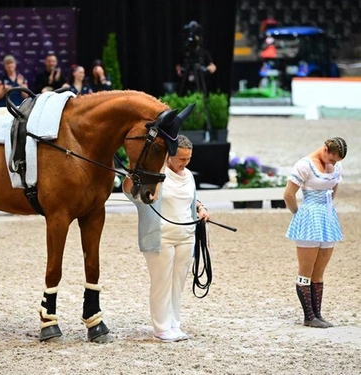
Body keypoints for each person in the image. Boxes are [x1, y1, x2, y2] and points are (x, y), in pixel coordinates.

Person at [123, 135, 210, 342]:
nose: (185, 163)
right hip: (160, 236)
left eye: (188, 158)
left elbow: (190, 198)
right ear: (169, 157)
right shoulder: (156, 175)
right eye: (181, 159)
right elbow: (130, 192)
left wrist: (200, 208)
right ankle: (161, 327)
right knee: (162, 282)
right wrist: (132, 173)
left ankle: (174, 323)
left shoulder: (188, 175)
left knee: (178, 283)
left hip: (186, 236)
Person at [284, 137, 348, 328]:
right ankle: (308, 315)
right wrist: (298, 213)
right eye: (332, 159)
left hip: (327, 216)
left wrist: (326, 205)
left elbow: (334, 188)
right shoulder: (304, 165)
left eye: (337, 161)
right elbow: (288, 194)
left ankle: (317, 314)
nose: (334, 164)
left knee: (319, 270)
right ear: (325, 149)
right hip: (309, 214)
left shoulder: (336, 168)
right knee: (306, 269)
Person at [175, 21, 216, 96]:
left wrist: (207, 69)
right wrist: (179, 70)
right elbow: (178, 65)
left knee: (201, 94)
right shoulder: (184, 52)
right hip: (186, 83)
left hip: (200, 80)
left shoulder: (204, 52)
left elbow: (212, 66)